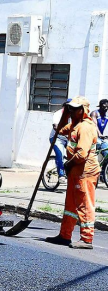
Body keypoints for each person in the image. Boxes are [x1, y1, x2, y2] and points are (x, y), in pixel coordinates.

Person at [46, 96, 100, 250]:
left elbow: (82, 154)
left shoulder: (85, 127)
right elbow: (59, 129)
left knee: (85, 205)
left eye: (75, 109)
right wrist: (65, 114)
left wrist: (67, 164)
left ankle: (87, 239)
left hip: (85, 172)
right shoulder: (74, 124)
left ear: (83, 110)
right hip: (75, 171)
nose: (72, 111)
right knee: (70, 205)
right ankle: (65, 235)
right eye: (70, 108)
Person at [50, 100, 71, 179]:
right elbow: (55, 126)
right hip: (56, 137)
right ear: (65, 107)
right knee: (60, 153)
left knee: (76, 154)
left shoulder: (72, 115)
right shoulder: (58, 114)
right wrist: (62, 132)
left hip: (67, 138)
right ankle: (61, 175)